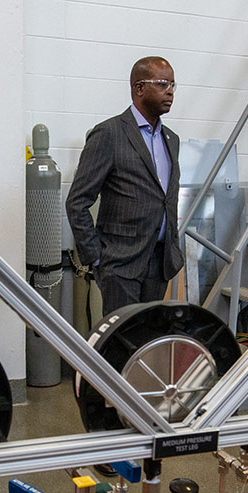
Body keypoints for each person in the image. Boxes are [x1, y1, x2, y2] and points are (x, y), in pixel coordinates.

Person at [66, 56, 184, 316]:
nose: (170, 92)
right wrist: (96, 257)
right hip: (120, 264)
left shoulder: (171, 140)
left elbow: (165, 199)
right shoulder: (109, 134)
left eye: (173, 85)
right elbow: (77, 202)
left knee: (147, 339)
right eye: (163, 84)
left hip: (159, 261)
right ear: (139, 88)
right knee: (120, 343)